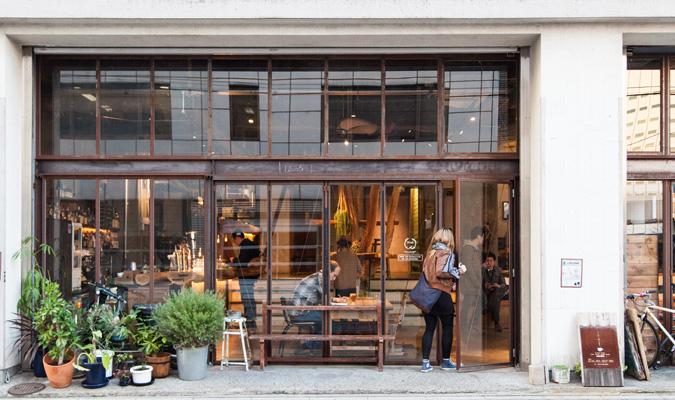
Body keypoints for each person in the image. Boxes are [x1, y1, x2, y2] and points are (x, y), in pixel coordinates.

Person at [419, 228, 465, 373]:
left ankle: (425, 363)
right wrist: (459, 272)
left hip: (428, 295)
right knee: (447, 327)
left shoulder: (430, 253)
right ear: (449, 239)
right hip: (441, 295)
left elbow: (427, 274)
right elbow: (441, 272)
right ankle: (445, 361)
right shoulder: (446, 252)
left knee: (429, 328)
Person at [289, 261, 341, 351]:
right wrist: (337, 301)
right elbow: (326, 302)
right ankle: (307, 345)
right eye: (334, 275)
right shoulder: (318, 280)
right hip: (299, 314)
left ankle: (310, 344)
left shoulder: (317, 277)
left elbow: (323, 300)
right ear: (328, 271)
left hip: (298, 312)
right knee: (334, 325)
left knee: (325, 321)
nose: (334, 279)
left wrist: (334, 300)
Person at [460, 226, 484, 346]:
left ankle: (471, 328)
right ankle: (465, 332)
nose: (483, 239)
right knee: (467, 308)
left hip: (473, 285)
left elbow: (473, 266)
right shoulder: (468, 249)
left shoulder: (474, 249)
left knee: (478, 305)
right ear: (479, 236)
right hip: (469, 285)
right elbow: (468, 268)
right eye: (483, 237)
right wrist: (477, 282)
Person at [231, 229, 261, 328]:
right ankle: (249, 319)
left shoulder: (245, 246)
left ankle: (250, 319)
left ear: (237, 238)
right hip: (251, 276)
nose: (235, 242)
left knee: (247, 297)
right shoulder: (250, 244)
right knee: (248, 296)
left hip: (247, 276)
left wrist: (234, 260)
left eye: (234, 240)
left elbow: (243, 263)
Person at [482, 252, 506, 332]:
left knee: (495, 297)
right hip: (485, 293)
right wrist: (484, 285)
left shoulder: (498, 271)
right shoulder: (482, 270)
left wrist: (497, 285)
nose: (489, 263)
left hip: (495, 293)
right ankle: (496, 323)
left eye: (491, 261)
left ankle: (494, 319)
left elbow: (503, 285)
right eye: (487, 261)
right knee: (494, 300)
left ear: (494, 262)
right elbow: (477, 283)